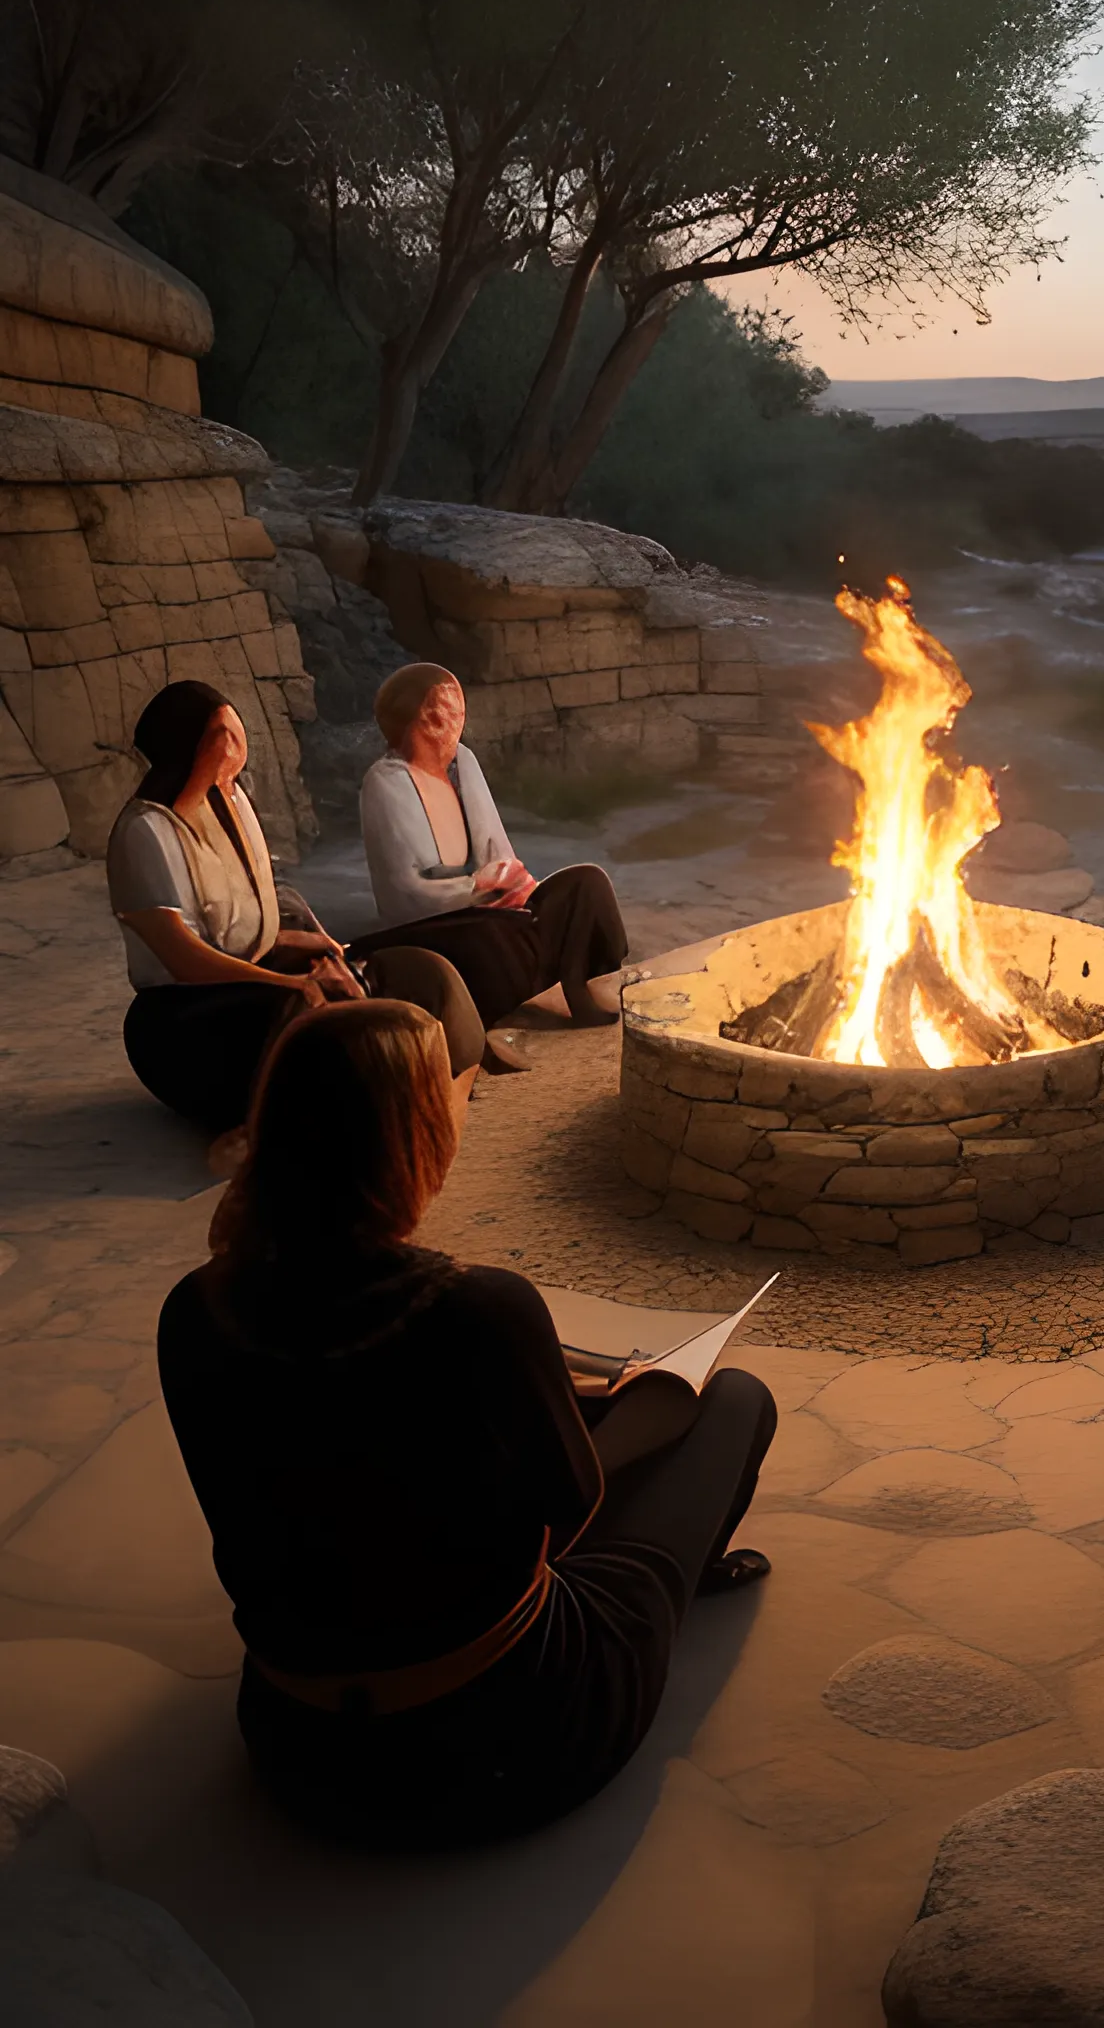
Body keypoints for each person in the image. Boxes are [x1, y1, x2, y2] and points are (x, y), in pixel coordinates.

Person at [156, 999, 779, 1848]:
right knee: (732, 1402)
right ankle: (683, 1583)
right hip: (509, 1745)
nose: (459, 1102)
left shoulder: (196, 1308)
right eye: (445, 1092)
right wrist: (631, 1407)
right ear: (403, 1132)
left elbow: (303, 1455)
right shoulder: (477, 1308)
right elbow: (570, 1513)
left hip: (298, 1744)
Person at [107, 680, 484, 1136]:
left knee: (416, 967)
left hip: (254, 971)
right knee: (309, 1010)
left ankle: (457, 1070)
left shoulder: (232, 801)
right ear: (181, 745)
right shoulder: (145, 832)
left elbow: (246, 917)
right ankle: (264, 1131)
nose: (234, 747)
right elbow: (185, 958)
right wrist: (294, 981)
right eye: (218, 737)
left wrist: (309, 944)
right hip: (185, 1015)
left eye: (235, 731)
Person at [355, 663, 629, 1037]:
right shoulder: (385, 783)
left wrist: (515, 885)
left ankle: (582, 991)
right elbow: (402, 895)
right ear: (413, 721)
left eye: (456, 713)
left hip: (493, 905)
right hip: (438, 923)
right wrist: (475, 889)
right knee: (490, 938)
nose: (451, 725)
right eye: (439, 715)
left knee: (586, 883)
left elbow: (498, 851)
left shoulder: (464, 762)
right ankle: (484, 1021)